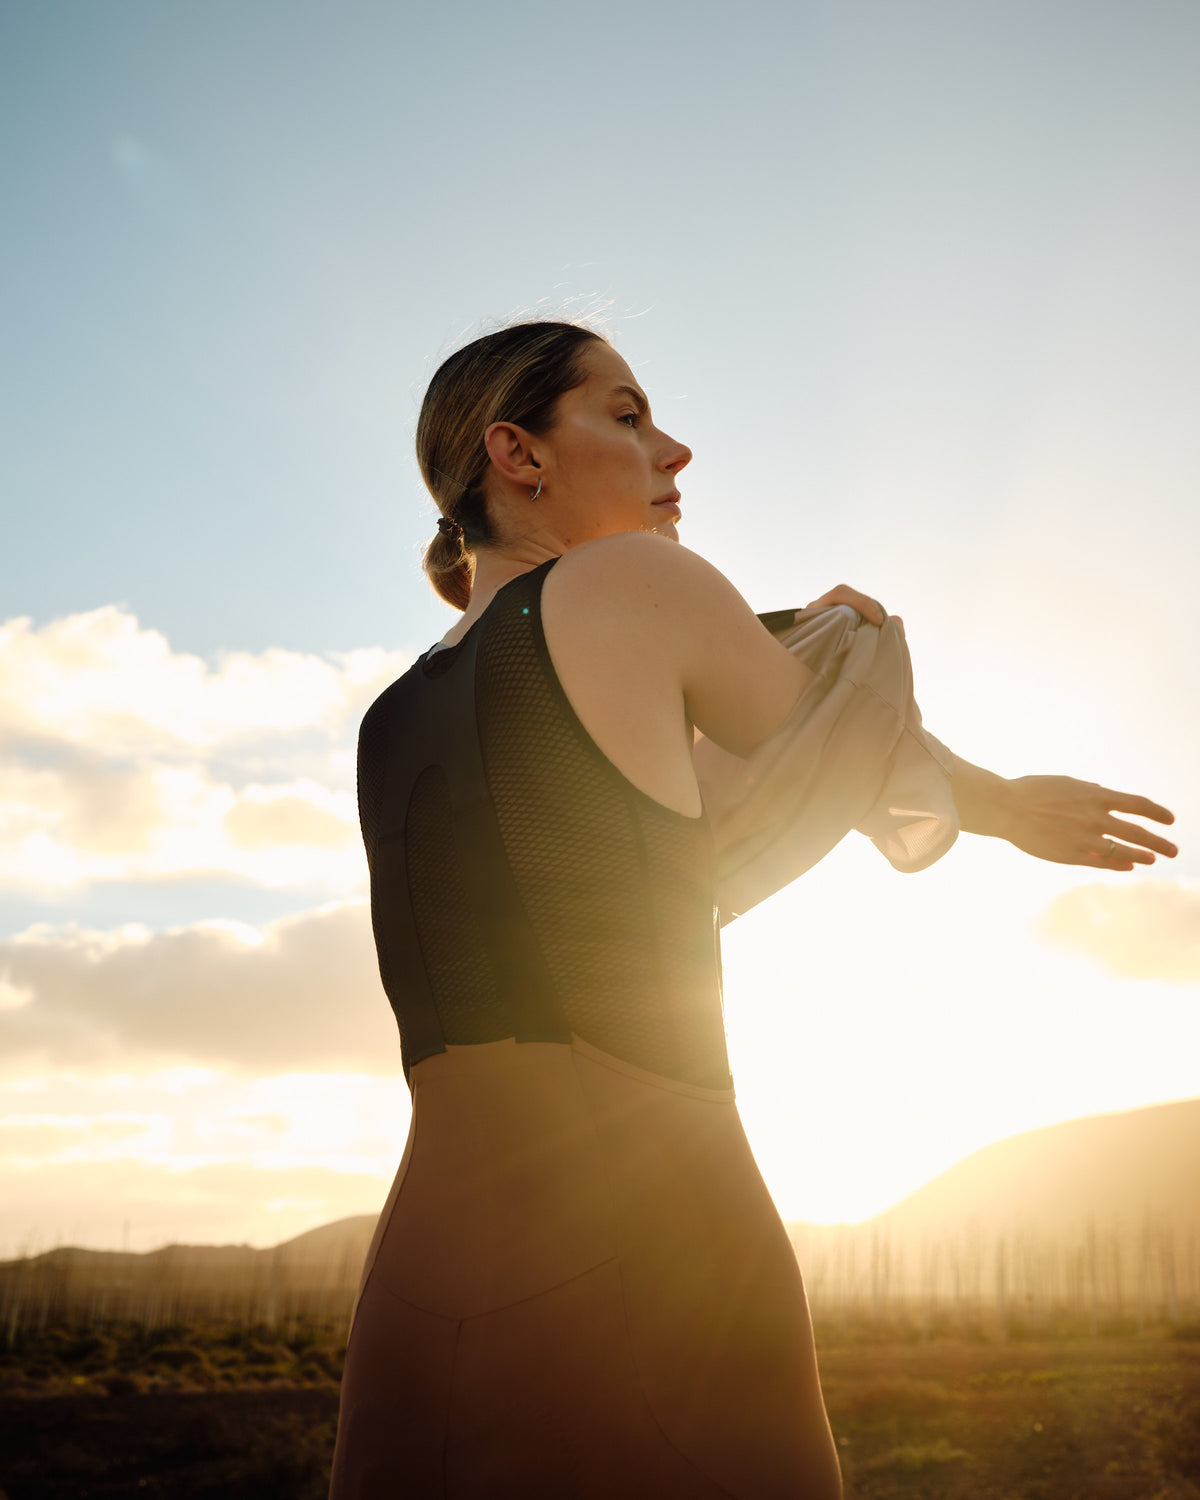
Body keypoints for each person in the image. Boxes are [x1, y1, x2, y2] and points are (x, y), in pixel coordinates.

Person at [328, 321, 1176, 1499]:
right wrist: (868, 662)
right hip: (655, 1238)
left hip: (414, 1279)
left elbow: (632, 848)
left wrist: (797, 649)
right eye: (626, 418)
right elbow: (831, 744)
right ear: (517, 455)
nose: (673, 450)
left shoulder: (390, 717)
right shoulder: (633, 583)